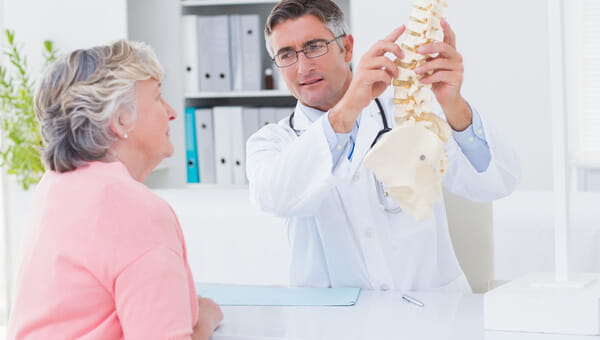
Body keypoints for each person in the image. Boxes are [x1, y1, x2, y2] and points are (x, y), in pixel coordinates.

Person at [246, 0, 520, 291]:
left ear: (347, 48)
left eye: (315, 47)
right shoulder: (271, 142)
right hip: (332, 324)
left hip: (431, 315)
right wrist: (347, 111)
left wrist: (454, 104)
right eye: (286, 54)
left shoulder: (415, 114)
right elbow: (275, 197)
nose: (302, 67)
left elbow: (496, 182)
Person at [8, 40, 222, 339]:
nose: (172, 112)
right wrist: (206, 320)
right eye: (158, 97)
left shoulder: (55, 187)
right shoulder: (136, 211)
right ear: (121, 119)